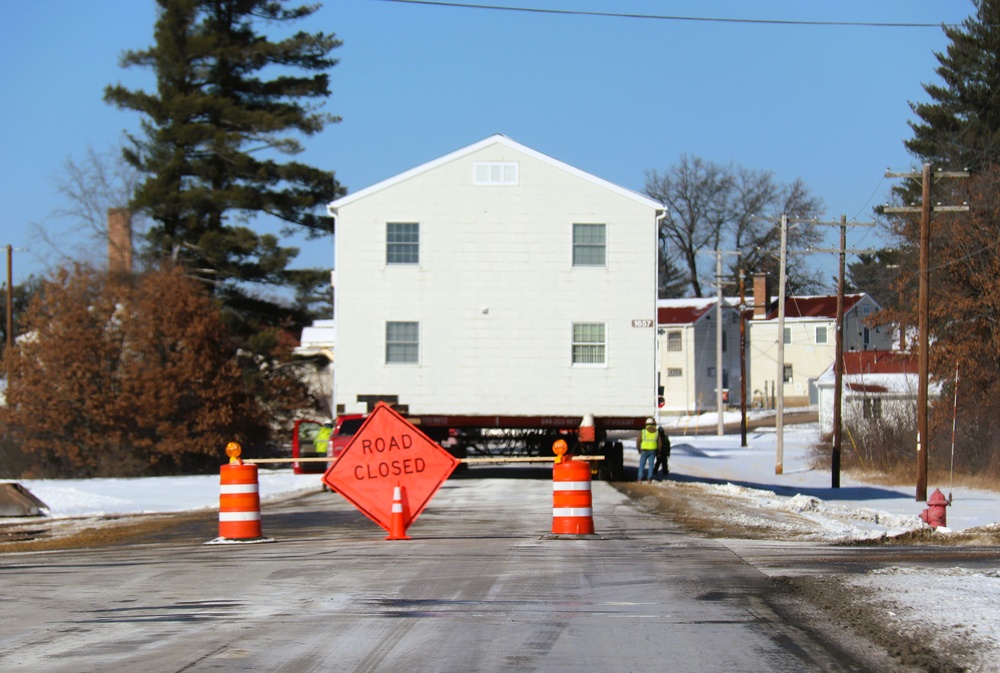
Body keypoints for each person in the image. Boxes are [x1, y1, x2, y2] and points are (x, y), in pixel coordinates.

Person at [637, 417, 659, 483]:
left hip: (644, 450)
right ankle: (649, 479)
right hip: (653, 450)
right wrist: (658, 451)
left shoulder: (643, 431)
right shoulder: (657, 432)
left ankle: (640, 479)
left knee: (642, 464)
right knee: (651, 465)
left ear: (646, 424)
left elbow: (638, 441)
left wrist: (639, 449)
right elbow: (659, 442)